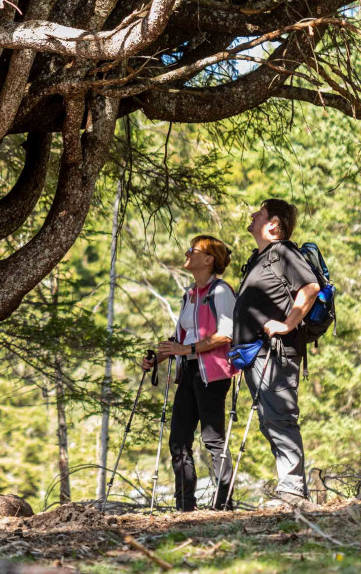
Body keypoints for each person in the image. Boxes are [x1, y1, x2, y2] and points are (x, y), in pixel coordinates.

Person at [233, 198, 321, 509]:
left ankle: (293, 492)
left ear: (273, 224)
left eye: (259, 212)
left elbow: (310, 287)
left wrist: (287, 323)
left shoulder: (283, 252)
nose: (253, 215)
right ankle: (290, 489)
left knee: (280, 418)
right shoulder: (259, 258)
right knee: (270, 420)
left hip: (275, 352)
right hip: (256, 353)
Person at [142, 235, 236, 511]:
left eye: (193, 251)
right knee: (179, 438)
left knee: (212, 438)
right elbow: (178, 339)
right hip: (189, 371)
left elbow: (227, 333)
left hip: (214, 372)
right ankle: (185, 505)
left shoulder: (220, 292)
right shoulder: (190, 294)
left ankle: (224, 502)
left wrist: (188, 349)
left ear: (208, 260)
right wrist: (157, 358)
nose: (187, 253)